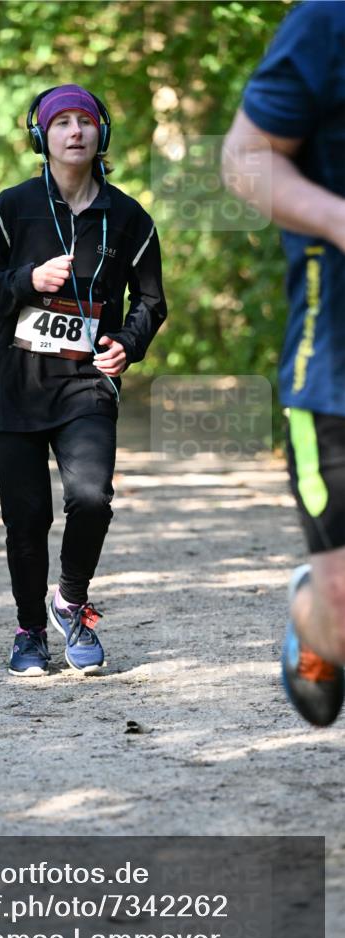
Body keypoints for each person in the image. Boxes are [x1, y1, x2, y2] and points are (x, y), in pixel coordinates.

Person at [0, 85, 167, 677]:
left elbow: (150, 302)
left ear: (100, 133)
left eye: (85, 122)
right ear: (42, 137)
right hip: (16, 384)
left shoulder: (129, 217)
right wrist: (27, 279)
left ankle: (70, 601)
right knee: (25, 518)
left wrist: (128, 344)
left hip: (86, 383)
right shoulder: (11, 207)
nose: (75, 132)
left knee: (91, 498)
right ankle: (30, 632)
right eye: (62, 123)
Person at [223, 1, 345, 726]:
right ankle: (314, 612)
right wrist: (336, 219)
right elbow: (244, 156)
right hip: (334, 367)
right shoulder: (327, 21)